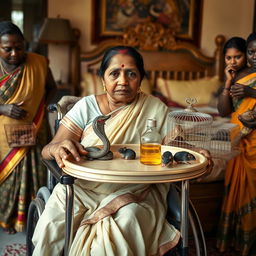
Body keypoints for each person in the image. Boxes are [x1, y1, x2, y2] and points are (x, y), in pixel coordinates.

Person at [32, 45, 212, 255]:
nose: (123, 82)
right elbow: (48, 150)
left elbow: (176, 148)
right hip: (80, 189)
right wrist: (58, 147)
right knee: (50, 226)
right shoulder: (85, 107)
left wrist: (197, 153)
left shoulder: (155, 108)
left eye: (131, 74)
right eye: (114, 74)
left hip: (136, 192)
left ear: (141, 79)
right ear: (102, 78)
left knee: (123, 226)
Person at [0, 21, 57, 234]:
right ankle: (7, 219)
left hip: (35, 127)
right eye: (7, 49)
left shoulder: (39, 63)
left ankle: (31, 219)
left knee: (36, 174)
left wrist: (39, 107)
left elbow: (52, 88)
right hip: (3, 136)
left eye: (19, 47)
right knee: (8, 177)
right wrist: (3, 108)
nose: (15, 53)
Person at [216, 33, 256, 255]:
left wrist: (251, 91)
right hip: (236, 138)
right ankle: (233, 239)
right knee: (235, 187)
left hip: (254, 141)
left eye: (238, 56)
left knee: (251, 187)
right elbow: (223, 111)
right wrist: (228, 83)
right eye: (228, 58)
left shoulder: (253, 77)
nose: (233, 62)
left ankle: (249, 242)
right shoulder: (236, 77)